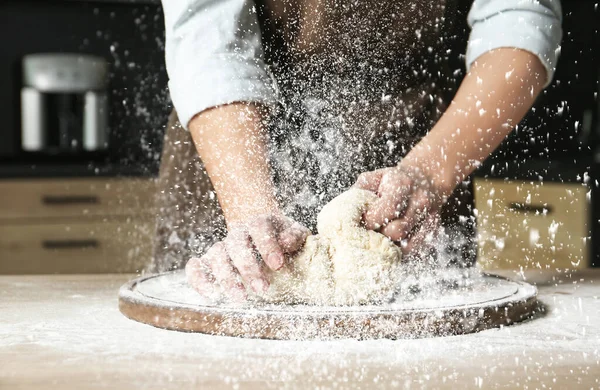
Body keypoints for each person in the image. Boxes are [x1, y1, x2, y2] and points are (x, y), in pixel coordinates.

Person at [155, 0, 562, 300]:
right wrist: (249, 211)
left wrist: (429, 173)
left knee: (425, 355)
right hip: (234, 145)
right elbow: (209, 38)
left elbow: (519, 19)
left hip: (420, 156)